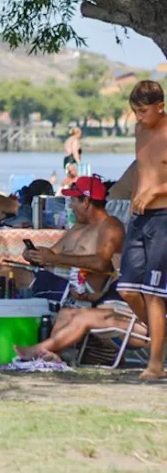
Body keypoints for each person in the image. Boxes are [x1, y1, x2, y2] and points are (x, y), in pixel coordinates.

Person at [0, 176, 124, 359]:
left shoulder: (111, 226)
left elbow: (101, 262)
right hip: (49, 279)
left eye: (74, 201)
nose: (71, 206)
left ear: (86, 202)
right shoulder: (77, 227)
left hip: (73, 290)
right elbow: (53, 254)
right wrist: (36, 256)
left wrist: (56, 258)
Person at [118, 80, 167, 379]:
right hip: (138, 218)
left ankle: (156, 365)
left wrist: (155, 192)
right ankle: (162, 338)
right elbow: (142, 169)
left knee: (153, 293)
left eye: (144, 111)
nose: (139, 117)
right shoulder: (139, 130)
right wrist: (137, 196)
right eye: (135, 111)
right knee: (127, 289)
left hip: (164, 218)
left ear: (160, 106)